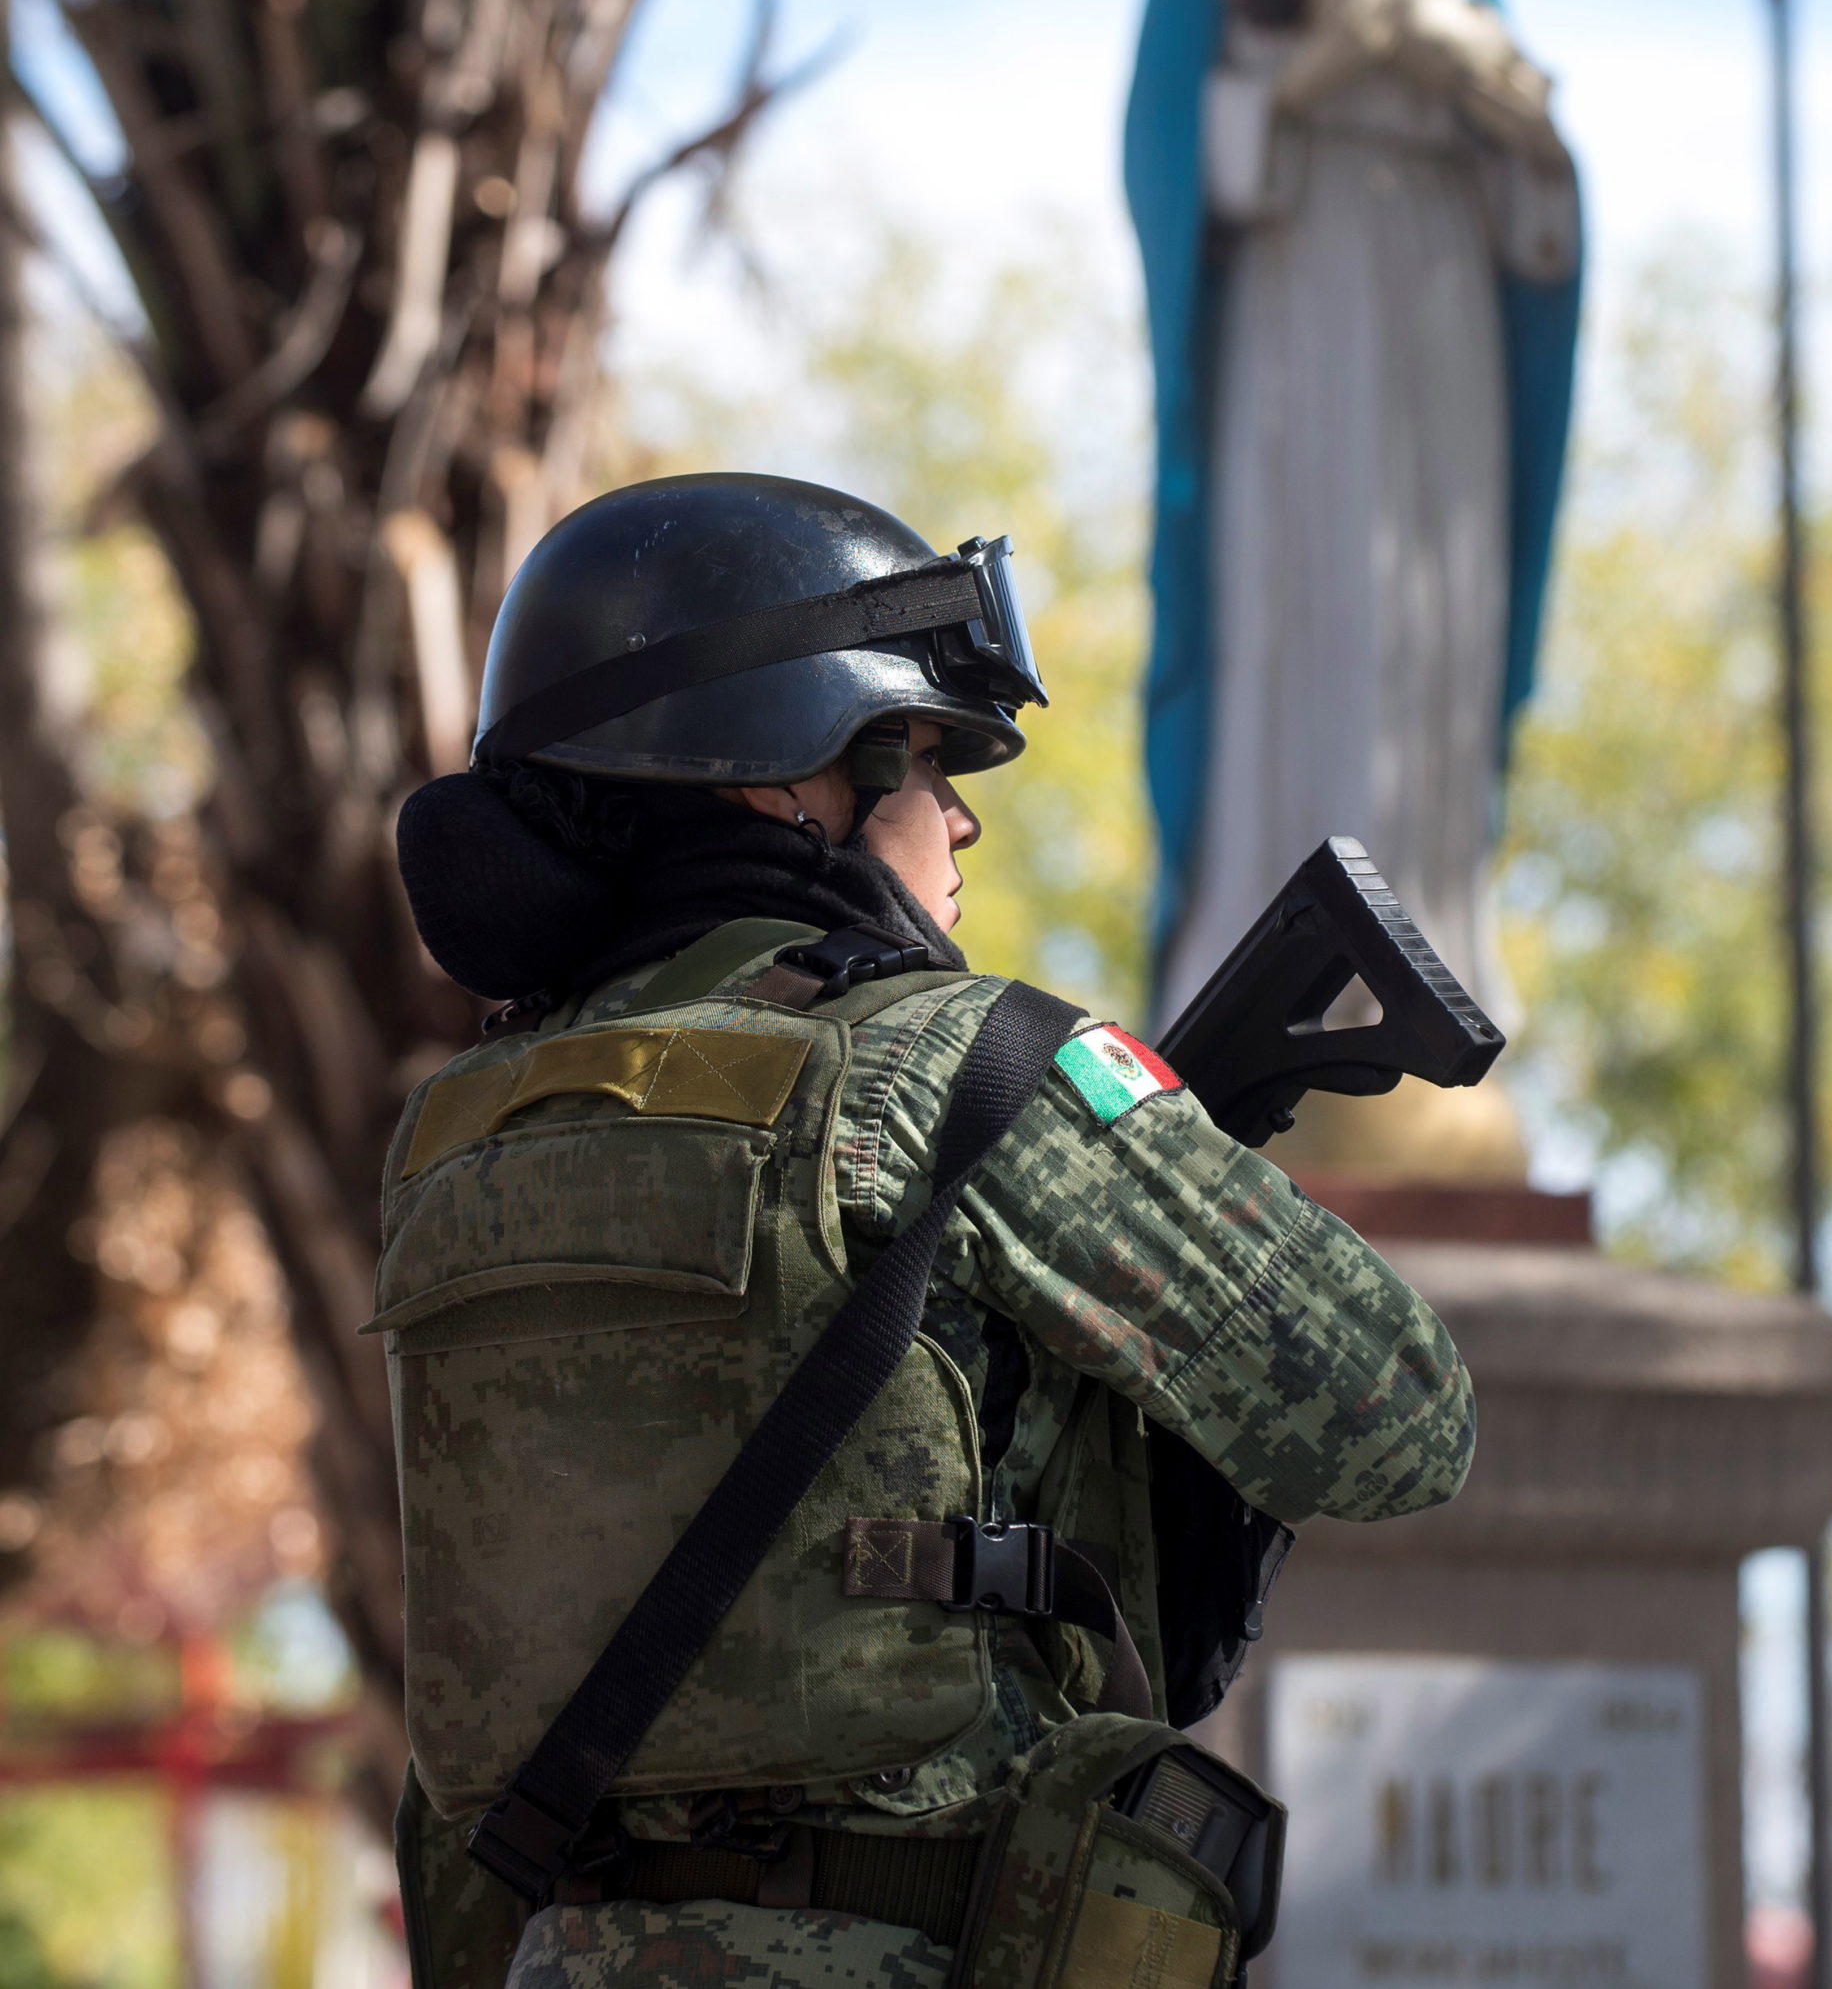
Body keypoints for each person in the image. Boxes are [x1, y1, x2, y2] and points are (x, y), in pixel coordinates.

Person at [384, 471, 1475, 1989]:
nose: (959, 817)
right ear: (786, 778)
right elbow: (1398, 1419)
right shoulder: (963, 1062)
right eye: (923, 759)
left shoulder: (459, 1134)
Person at [1125, 0, 1583, 1050]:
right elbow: (1182, 172)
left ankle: (1431, 979)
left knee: (1428, 627)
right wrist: (1322, 69)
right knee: (1297, 616)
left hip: (1444, 341)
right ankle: (1271, 985)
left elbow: (1546, 225)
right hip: (1294, 337)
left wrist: (1486, 96)